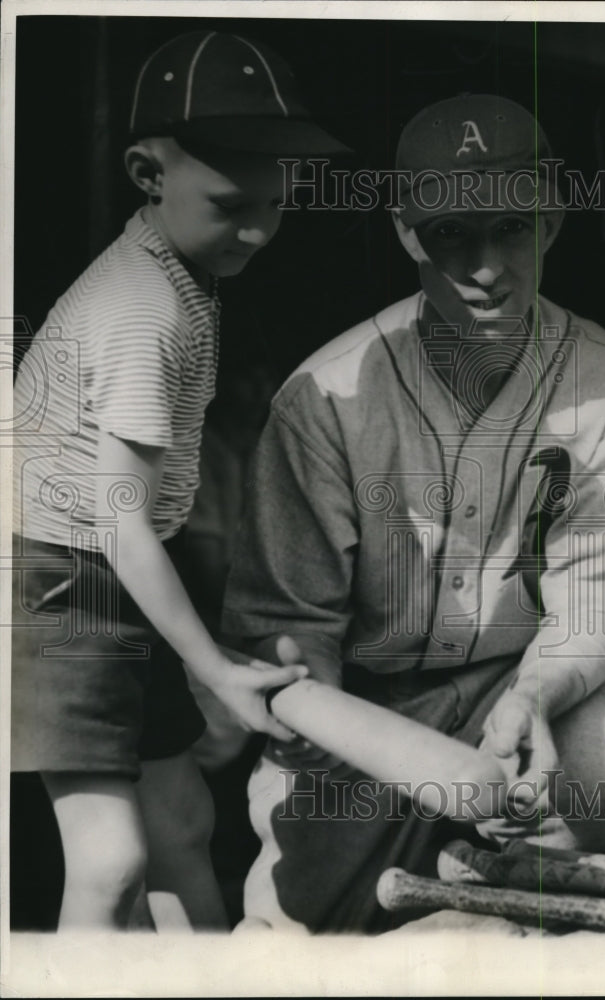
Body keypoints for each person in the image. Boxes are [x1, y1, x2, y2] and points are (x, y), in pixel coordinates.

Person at [222, 94, 605, 933]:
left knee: (601, 774)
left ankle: (493, 902)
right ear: (404, 232)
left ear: (553, 217)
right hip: (368, 705)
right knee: (297, 935)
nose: (487, 266)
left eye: (511, 228)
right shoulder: (325, 395)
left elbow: (592, 603)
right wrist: (389, 756)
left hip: (519, 679)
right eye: (450, 234)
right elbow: (286, 638)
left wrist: (535, 695)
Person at [11, 30, 348, 931]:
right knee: (110, 857)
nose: (256, 230)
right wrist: (213, 670)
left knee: (181, 822)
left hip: (112, 573)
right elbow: (118, 516)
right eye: (230, 204)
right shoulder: (143, 309)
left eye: (275, 206)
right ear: (146, 170)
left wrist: (205, 656)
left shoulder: (179, 280)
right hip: (53, 578)